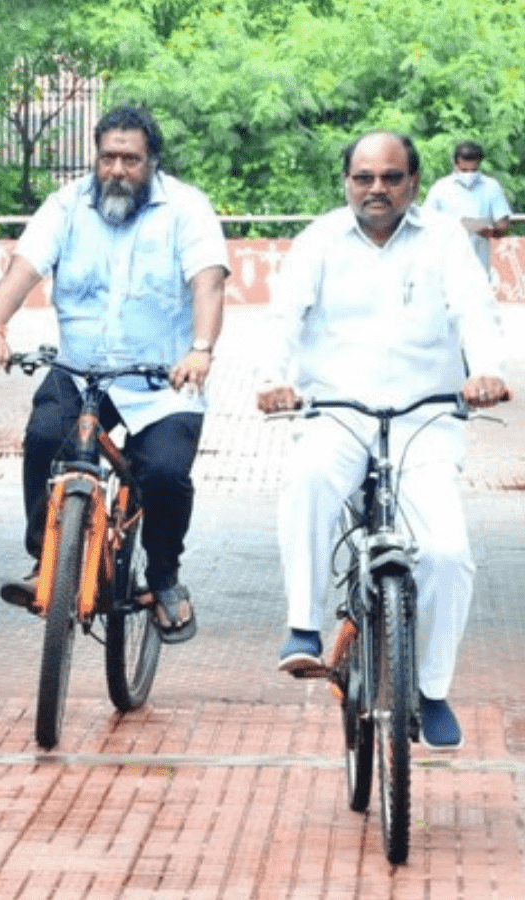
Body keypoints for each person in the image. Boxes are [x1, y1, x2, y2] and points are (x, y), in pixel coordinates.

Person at [257, 130, 509, 750]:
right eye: (364, 177)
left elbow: (475, 310)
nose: (377, 188)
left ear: (414, 185)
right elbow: (284, 315)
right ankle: (304, 628)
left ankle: (430, 689)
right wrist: (273, 380)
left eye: (390, 177)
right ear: (346, 181)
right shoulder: (319, 239)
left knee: (447, 552)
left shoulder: (444, 239)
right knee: (309, 480)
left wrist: (485, 370)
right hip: (337, 413)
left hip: (426, 417)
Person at [0, 104, 228, 644]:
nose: (117, 169)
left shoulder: (186, 208)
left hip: (162, 379)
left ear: (152, 162)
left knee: (162, 475)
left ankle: (163, 580)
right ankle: (46, 561)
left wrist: (200, 349)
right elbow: (25, 267)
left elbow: (208, 282)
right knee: (45, 436)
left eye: (130, 159)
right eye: (108, 157)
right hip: (82, 368)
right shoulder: (66, 206)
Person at [422, 139, 513, 276]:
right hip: (445, 269)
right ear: (455, 162)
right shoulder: (440, 188)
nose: (469, 175)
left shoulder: (491, 187)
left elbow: (504, 227)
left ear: (480, 164)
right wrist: (455, 225)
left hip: (479, 270)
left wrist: (486, 231)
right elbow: (424, 223)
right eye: (464, 170)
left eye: (473, 170)